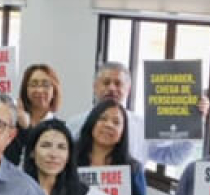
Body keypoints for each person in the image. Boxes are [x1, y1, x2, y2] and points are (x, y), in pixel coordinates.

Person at [66, 62, 202, 167]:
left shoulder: (143, 126)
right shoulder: (74, 124)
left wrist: (195, 121)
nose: (112, 88)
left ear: (128, 89)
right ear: (95, 86)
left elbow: (173, 157)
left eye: (118, 84)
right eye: (106, 83)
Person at [76, 99, 149, 195]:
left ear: (122, 133)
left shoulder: (133, 168)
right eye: (103, 119)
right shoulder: (69, 158)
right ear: (92, 123)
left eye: (116, 122)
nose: (109, 125)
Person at [6, 64, 62, 166]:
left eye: (45, 85)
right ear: (25, 90)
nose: (39, 90)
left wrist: (27, 128)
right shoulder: (11, 123)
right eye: (34, 84)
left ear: (54, 91)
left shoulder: (60, 128)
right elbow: (8, 161)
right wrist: (22, 128)